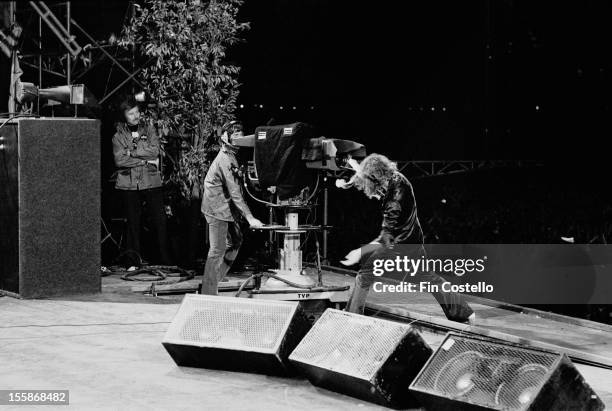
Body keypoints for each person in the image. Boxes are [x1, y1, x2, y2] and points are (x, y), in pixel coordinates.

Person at [341, 153, 475, 323]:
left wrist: (360, 251)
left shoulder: (394, 202)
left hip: (397, 243)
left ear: (377, 178)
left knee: (365, 273)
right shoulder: (395, 177)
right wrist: (352, 171)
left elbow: (385, 237)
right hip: (414, 239)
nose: (373, 192)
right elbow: (365, 172)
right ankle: (465, 313)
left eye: (370, 185)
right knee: (427, 277)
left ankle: (353, 316)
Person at [200, 120, 264, 295]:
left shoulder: (231, 156)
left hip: (226, 209)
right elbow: (235, 192)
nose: (239, 137)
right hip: (216, 209)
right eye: (235, 134)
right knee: (217, 250)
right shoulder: (224, 159)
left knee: (236, 241)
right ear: (226, 137)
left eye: (240, 134)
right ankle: (208, 292)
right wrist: (250, 218)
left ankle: (215, 278)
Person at [112, 97, 171, 266]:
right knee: (133, 224)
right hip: (129, 184)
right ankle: (133, 262)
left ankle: (165, 260)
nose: (135, 116)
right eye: (131, 113)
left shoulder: (149, 129)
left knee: (160, 221)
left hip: (151, 181)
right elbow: (120, 161)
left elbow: (155, 151)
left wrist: (132, 152)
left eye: (137, 112)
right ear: (124, 115)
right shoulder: (117, 137)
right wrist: (143, 161)